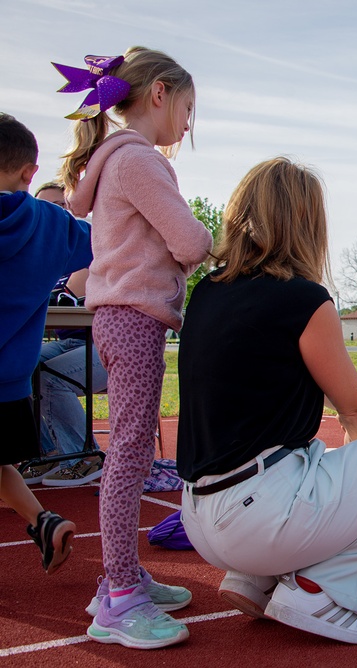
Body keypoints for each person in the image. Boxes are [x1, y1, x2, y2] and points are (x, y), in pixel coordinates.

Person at [176, 157, 357, 645]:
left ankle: (257, 579)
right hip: (258, 520)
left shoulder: (206, 293)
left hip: (198, 516)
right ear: (307, 223)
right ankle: (324, 591)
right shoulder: (303, 298)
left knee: (309, 457)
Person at [58, 48, 214, 649]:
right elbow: (189, 240)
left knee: (130, 452)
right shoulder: (139, 162)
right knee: (127, 456)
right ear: (159, 95)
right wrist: (215, 240)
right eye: (188, 109)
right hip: (133, 318)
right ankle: (118, 596)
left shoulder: (113, 161)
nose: (188, 125)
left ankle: (122, 579)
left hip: (126, 318)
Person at [0, 113, 89, 574]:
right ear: (29, 172)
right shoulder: (50, 224)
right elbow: (110, 242)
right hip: (12, 381)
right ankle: (42, 519)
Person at [18, 181, 107, 488]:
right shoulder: (39, 253)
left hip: (110, 345)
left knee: (50, 376)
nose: (53, 213)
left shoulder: (87, 246)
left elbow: (60, 299)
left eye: (61, 205)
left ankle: (85, 455)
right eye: (45, 207)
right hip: (73, 343)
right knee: (20, 367)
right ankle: (48, 453)